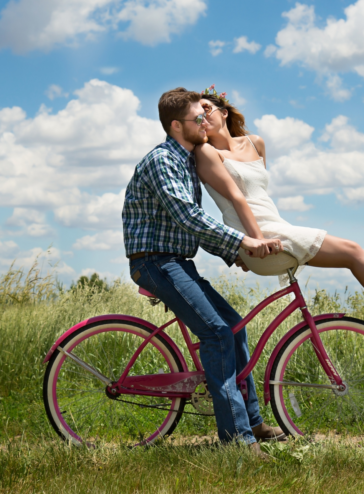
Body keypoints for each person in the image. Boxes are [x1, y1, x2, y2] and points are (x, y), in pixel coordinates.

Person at [194, 86, 364, 335]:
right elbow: (237, 200)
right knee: (353, 252)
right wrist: (252, 242)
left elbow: (260, 196)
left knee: (359, 253)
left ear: (224, 112)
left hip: (274, 226)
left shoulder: (255, 143)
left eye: (206, 109)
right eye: (196, 116)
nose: (202, 117)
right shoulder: (207, 154)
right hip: (258, 237)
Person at [122, 87, 286, 457]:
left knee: (234, 327)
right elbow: (188, 217)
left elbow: (190, 228)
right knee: (217, 334)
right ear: (177, 125)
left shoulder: (186, 162)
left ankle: (254, 422)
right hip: (154, 262)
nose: (205, 123)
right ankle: (237, 440)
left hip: (177, 261)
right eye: (199, 117)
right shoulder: (163, 160)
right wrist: (244, 241)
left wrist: (234, 253)